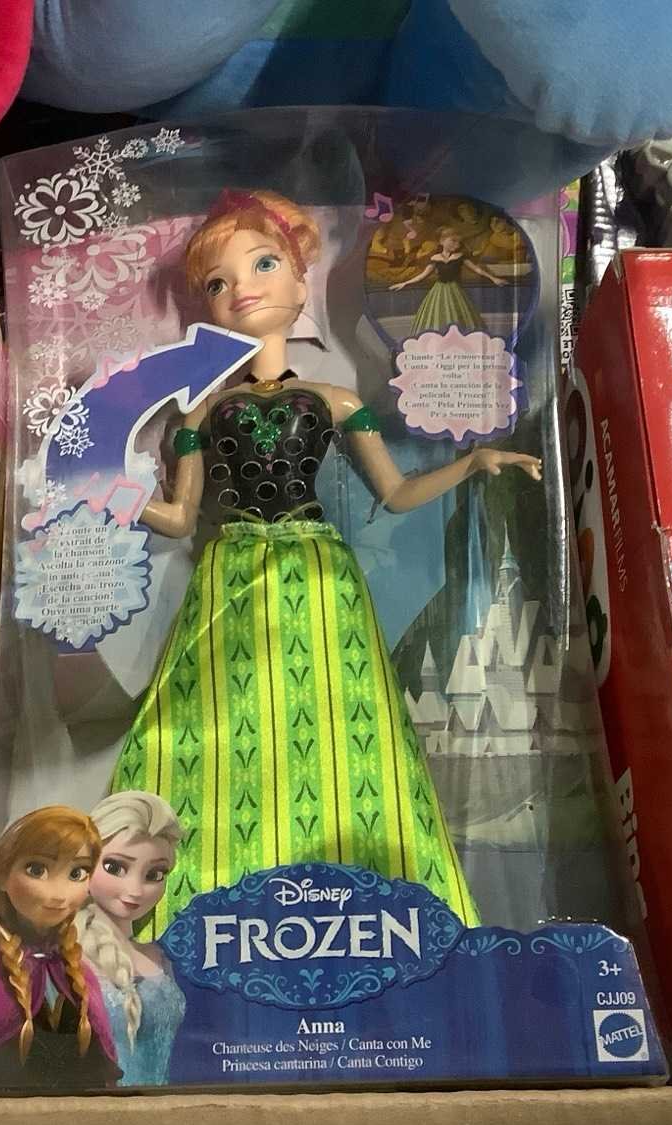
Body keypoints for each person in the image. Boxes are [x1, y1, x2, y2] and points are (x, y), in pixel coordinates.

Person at [109, 188, 541, 935]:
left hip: (317, 573)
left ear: (299, 278)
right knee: (211, 718)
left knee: (344, 721)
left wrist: (472, 463)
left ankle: (369, 892)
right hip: (232, 573)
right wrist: (108, 496)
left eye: (263, 264)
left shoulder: (336, 400)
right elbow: (179, 517)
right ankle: (193, 899)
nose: (242, 288)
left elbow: (396, 493)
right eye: (217, 281)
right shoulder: (200, 412)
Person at [0, 806, 120, 1089]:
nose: (59, 894)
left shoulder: (82, 975)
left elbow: (101, 1074)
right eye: (37, 870)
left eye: (77, 873)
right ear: (2, 876)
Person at [76, 792, 185, 1086]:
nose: (135, 890)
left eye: (155, 874)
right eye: (115, 867)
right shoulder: (62, 957)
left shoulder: (161, 957)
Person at [388, 226, 504, 336]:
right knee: (437, 316)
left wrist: (493, 278)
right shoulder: (435, 258)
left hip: (455, 291)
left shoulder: (460, 256)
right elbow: (423, 275)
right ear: (442, 241)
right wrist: (404, 283)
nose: (456, 244)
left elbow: (477, 269)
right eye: (453, 241)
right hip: (438, 291)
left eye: (458, 242)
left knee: (458, 315)